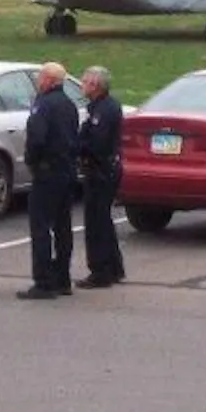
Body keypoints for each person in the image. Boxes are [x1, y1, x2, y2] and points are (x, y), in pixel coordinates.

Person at [17, 61, 80, 301]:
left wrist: (31, 161)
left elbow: (37, 138)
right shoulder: (69, 104)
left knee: (41, 227)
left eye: (41, 77)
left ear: (50, 81)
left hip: (47, 173)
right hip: (66, 171)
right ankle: (62, 278)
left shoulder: (43, 105)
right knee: (63, 227)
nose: (38, 81)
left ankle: (43, 282)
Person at [75, 65, 126, 288]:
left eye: (85, 81)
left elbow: (97, 142)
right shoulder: (99, 107)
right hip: (103, 169)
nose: (82, 85)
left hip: (101, 171)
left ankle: (101, 271)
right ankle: (113, 267)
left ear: (95, 85)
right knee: (102, 219)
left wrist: (77, 146)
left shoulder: (104, 110)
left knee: (96, 222)